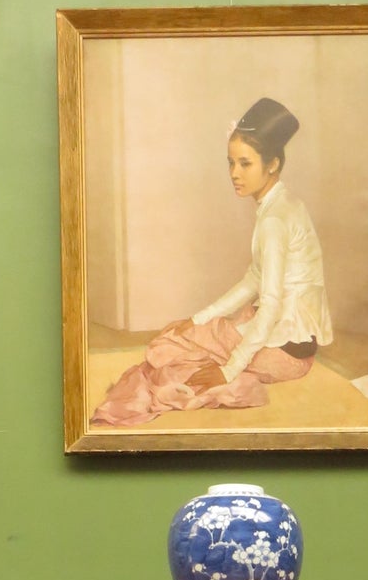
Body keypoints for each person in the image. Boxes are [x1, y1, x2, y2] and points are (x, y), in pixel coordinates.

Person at [90, 97, 334, 426]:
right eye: (231, 163)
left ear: (272, 164)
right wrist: (198, 318)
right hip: (294, 346)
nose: (234, 174)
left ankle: (229, 379)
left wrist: (228, 369)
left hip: (285, 355)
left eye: (245, 164)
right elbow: (254, 279)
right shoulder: (284, 204)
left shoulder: (275, 220)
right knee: (194, 334)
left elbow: (273, 303)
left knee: (165, 347)